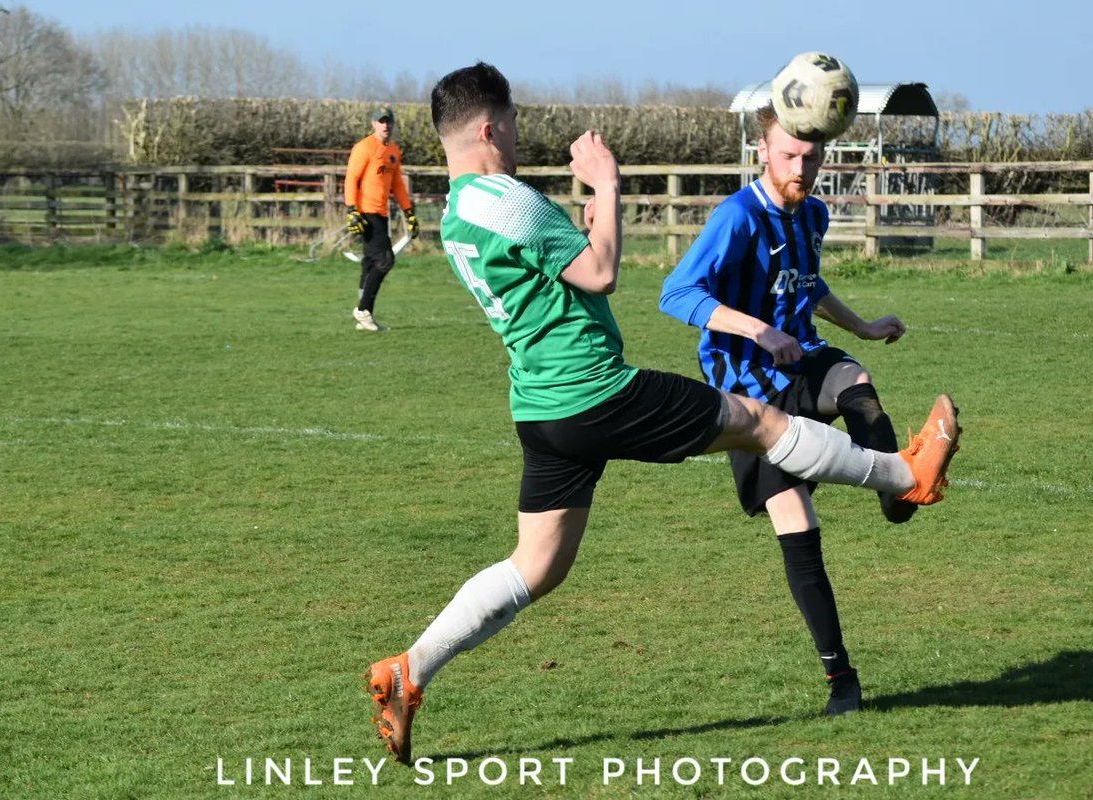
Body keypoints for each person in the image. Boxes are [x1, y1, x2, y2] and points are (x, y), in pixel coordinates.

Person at [364, 62, 960, 765]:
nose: (521, 134)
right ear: (490, 127)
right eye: (516, 121)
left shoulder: (460, 210)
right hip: (596, 390)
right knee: (758, 421)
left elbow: (556, 269)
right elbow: (601, 271)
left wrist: (589, 214)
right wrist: (608, 185)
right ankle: (903, 475)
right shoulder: (509, 198)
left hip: (541, 407)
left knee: (536, 566)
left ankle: (409, 670)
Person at [658, 101, 959, 714]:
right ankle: (840, 677)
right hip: (748, 388)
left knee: (853, 377)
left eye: (811, 156)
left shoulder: (813, 214)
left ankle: (898, 489)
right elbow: (676, 292)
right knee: (797, 524)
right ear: (763, 152)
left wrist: (867, 326)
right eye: (789, 154)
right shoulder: (737, 216)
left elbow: (807, 285)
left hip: (804, 360)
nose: (802, 166)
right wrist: (760, 332)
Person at [344, 104, 420, 332]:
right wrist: (352, 209)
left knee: (370, 263)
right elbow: (351, 179)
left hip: (382, 213)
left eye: (388, 121)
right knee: (385, 260)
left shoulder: (394, 150)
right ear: (373, 124)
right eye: (381, 121)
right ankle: (363, 310)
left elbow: (397, 185)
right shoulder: (364, 147)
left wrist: (409, 212)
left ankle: (364, 317)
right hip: (366, 212)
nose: (385, 125)